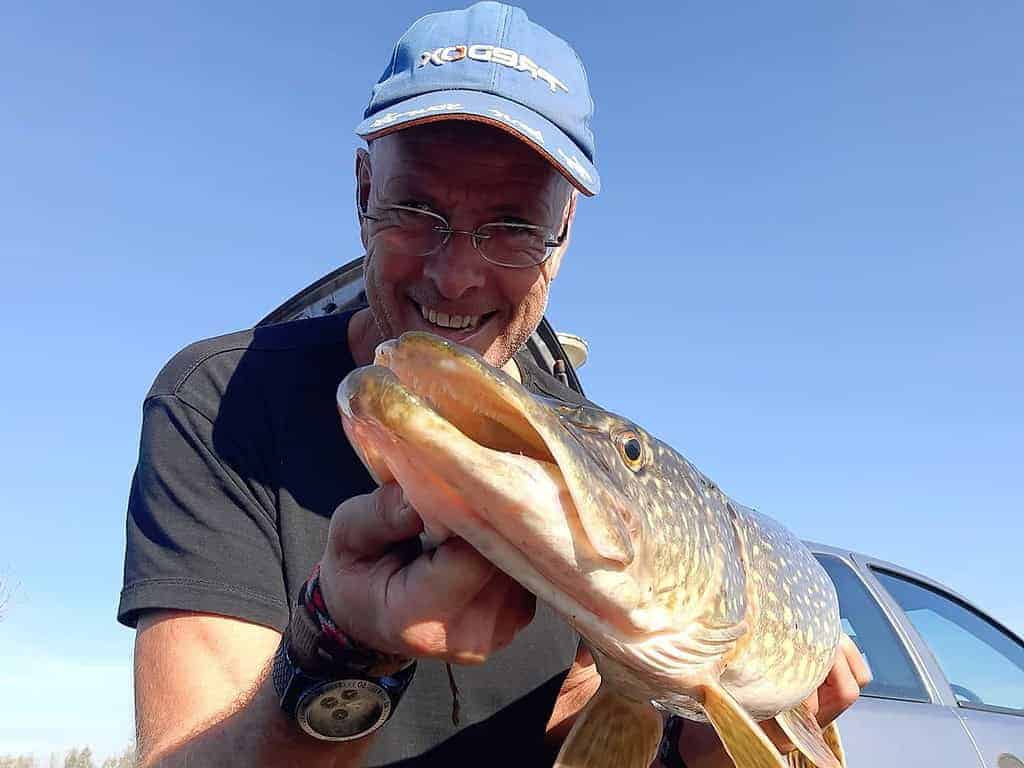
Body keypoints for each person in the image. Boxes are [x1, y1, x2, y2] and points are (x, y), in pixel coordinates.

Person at [119, 3, 871, 767]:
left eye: (513, 226)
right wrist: (339, 647)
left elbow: (575, 729)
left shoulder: (590, 461)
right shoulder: (220, 403)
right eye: (415, 211)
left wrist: (705, 752)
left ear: (563, 231)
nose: (455, 275)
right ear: (361, 192)